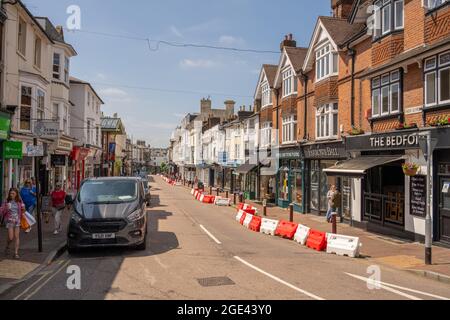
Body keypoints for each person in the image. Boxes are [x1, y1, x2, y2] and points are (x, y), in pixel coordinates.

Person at [0, 188, 26, 259]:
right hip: (9, 221)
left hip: (17, 221)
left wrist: (23, 208)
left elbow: (23, 210)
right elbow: (2, 211)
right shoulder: (7, 201)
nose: (11, 195)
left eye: (13, 193)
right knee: (11, 238)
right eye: (10, 193)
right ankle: (7, 246)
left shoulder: (19, 201)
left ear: (16, 194)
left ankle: (16, 253)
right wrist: (6, 208)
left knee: (17, 237)